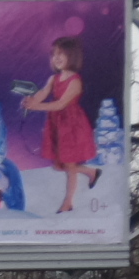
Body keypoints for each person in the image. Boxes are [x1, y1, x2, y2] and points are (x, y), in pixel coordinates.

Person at [20, 36, 98, 212]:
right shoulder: (53, 79)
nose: (56, 58)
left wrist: (37, 106)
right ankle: (90, 172)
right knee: (60, 164)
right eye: (54, 54)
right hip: (57, 125)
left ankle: (68, 203)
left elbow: (60, 104)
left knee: (69, 164)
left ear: (73, 56)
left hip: (71, 126)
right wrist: (31, 101)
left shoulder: (75, 81)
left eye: (61, 54)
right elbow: (42, 93)